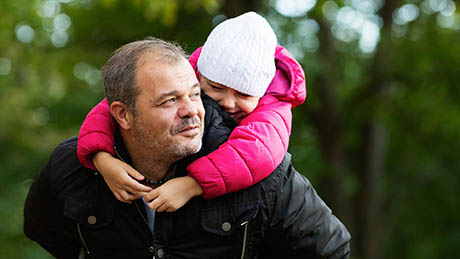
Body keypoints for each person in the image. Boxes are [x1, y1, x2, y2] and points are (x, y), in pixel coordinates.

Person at [24, 37, 350, 258]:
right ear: (123, 114)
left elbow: (331, 249)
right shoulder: (73, 166)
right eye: (169, 100)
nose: (192, 110)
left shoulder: (261, 172)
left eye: (195, 95)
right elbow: (45, 231)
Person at [77, 12, 307, 212]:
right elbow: (109, 109)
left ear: (261, 92)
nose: (228, 102)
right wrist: (102, 159)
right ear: (199, 75)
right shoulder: (185, 72)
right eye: (216, 88)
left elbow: (256, 153)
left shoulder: (275, 104)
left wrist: (192, 185)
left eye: (243, 95)